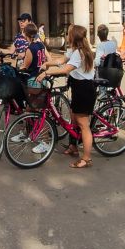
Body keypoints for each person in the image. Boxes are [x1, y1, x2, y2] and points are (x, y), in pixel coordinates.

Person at [36, 25, 96, 168]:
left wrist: (47, 73)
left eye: (68, 34)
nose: (67, 36)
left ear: (73, 36)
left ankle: (86, 159)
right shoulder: (74, 50)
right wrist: (47, 63)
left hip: (84, 89)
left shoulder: (79, 53)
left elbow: (66, 68)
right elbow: (61, 61)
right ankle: (73, 146)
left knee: (83, 125)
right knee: (73, 118)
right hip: (78, 88)